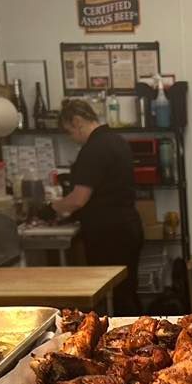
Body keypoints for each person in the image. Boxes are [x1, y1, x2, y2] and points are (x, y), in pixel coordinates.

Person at [50, 98, 144, 314]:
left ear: (77, 121)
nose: (72, 138)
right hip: (127, 227)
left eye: (69, 131)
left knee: (115, 298)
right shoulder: (117, 140)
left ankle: (122, 342)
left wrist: (52, 207)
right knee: (127, 292)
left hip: (109, 235)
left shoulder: (93, 149)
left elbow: (78, 199)